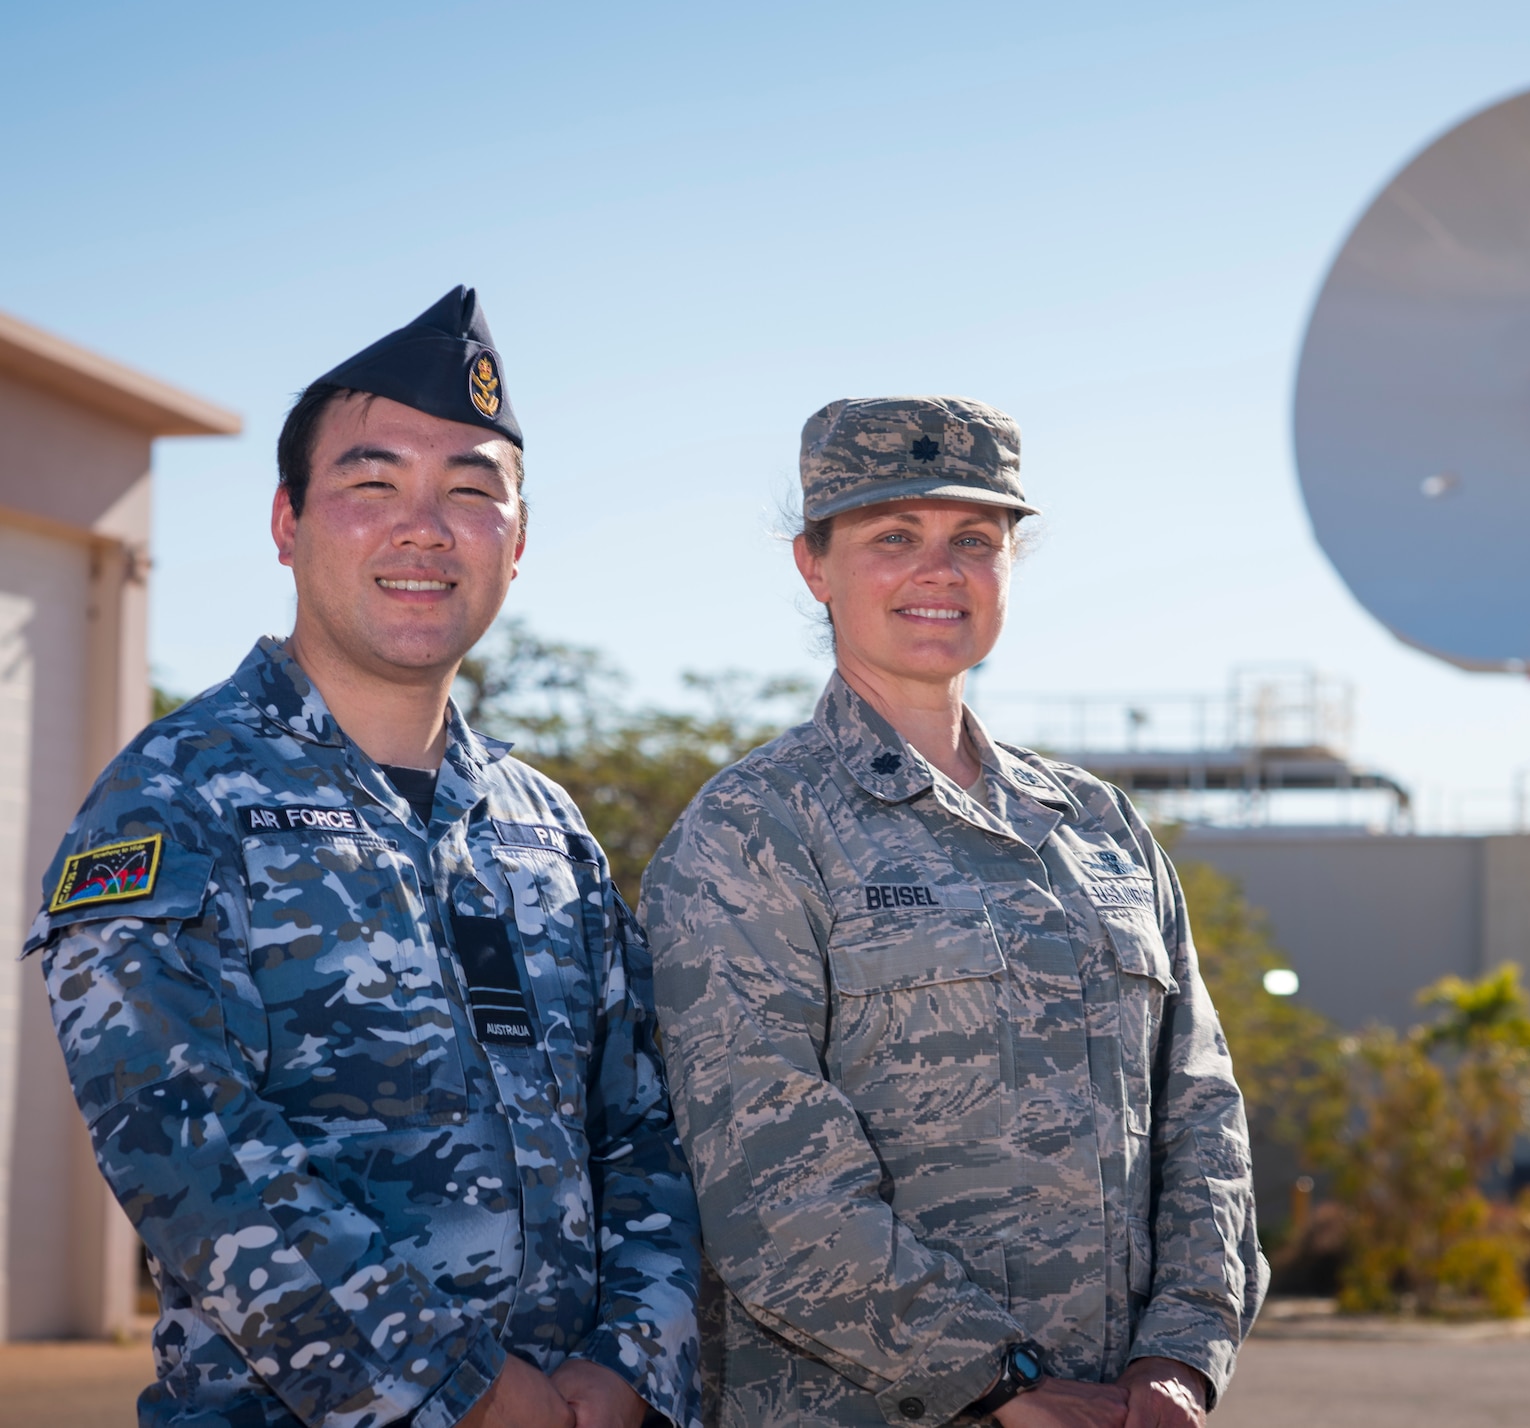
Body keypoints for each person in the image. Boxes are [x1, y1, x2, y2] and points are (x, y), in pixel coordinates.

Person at [24, 288, 700, 1428]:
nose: (423, 528)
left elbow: (638, 1125)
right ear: (287, 523)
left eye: (471, 494)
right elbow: (187, 1145)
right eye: (372, 484)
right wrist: (462, 1393)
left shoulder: (547, 828)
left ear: (517, 542)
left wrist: (630, 1363)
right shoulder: (172, 800)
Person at [642, 397, 1266, 1428]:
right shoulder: (754, 832)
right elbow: (768, 1185)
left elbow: (1201, 1114)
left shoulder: (1097, 826)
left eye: (974, 540)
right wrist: (1001, 1382)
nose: (940, 571)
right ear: (813, 563)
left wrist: (1183, 1355)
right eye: (894, 536)